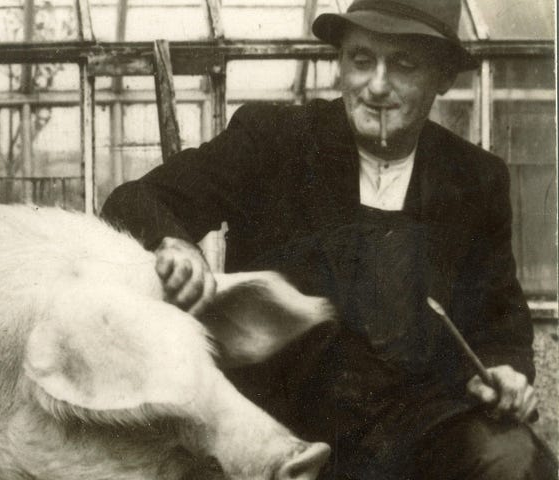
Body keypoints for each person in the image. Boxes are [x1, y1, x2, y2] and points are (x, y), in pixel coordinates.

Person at [98, 0, 556, 478]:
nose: (376, 86)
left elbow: (500, 325)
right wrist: (174, 243)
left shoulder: (475, 180)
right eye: (361, 60)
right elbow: (136, 199)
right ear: (340, 62)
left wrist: (507, 372)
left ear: (442, 77)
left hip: (420, 432)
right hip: (282, 423)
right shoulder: (274, 141)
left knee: (514, 460)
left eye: (403, 64)